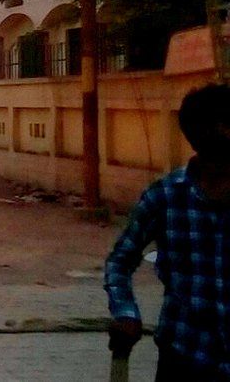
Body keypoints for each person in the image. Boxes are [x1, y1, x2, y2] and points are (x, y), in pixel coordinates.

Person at [104, 82, 230, 381]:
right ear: (204, 133)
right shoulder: (165, 197)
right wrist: (126, 312)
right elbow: (119, 262)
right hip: (185, 356)